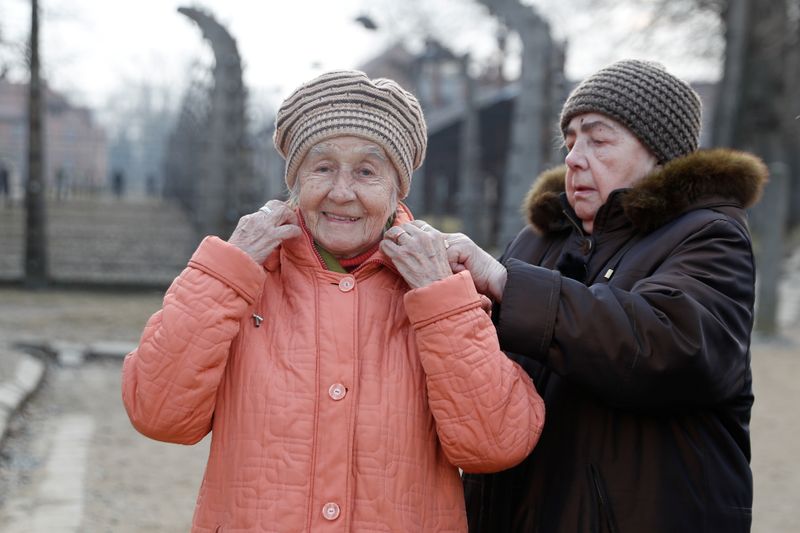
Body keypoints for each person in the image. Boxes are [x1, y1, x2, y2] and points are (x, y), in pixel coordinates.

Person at [122, 70, 544, 532]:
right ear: (296, 181)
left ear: (397, 188)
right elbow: (158, 413)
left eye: (366, 171)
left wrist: (442, 300)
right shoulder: (245, 275)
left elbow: (495, 443)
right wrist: (226, 269)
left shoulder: (439, 286)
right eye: (322, 167)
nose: (342, 192)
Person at [450, 59, 767, 532]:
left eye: (598, 140)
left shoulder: (710, 237)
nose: (575, 157)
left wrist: (506, 285)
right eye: (571, 140)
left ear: (659, 154)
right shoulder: (537, 240)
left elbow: (667, 346)